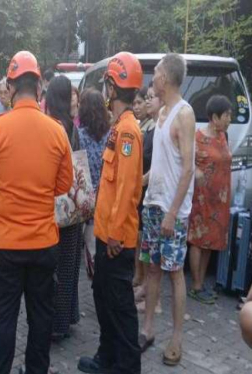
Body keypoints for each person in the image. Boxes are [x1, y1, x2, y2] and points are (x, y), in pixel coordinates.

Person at [0, 51, 73, 374]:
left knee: (4, 319)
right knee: (40, 320)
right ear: (39, 86)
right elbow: (64, 185)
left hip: (7, 245)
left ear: (12, 85)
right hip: (44, 245)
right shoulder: (57, 131)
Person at [77, 51, 144, 374]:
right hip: (105, 235)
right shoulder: (119, 127)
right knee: (104, 301)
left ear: (114, 89)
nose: (105, 92)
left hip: (116, 239)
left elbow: (128, 188)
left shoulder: (128, 132)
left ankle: (127, 366)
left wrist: (116, 234)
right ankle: (107, 358)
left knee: (120, 307)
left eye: (106, 85)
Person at [139, 53, 196, 366]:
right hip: (152, 204)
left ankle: (176, 338)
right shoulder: (160, 112)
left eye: (157, 73)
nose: (153, 79)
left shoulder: (183, 114)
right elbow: (161, 165)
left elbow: (187, 170)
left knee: (174, 273)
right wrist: (141, 182)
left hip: (173, 211)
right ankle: (147, 329)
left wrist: (173, 213)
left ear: (169, 78)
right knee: (151, 268)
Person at [45, 75, 83, 340]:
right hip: (73, 207)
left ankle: (54, 324)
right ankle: (66, 318)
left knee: (52, 267)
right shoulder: (72, 127)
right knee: (69, 265)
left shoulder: (50, 126)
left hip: (53, 207)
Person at [187, 95, 233, 304]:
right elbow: (187, 163)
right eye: (226, 116)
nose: (229, 120)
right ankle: (196, 286)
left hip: (219, 200)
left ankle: (201, 283)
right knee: (198, 240)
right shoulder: (197, 138)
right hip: (203, 199)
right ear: (214, 117)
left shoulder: (223, 137)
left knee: (210, 242)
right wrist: (196, 171)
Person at [135, 85, 164, 316]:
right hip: (146, 196)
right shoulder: (150, 129)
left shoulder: (160, 128)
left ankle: (155, 301)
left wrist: (139, 182)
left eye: (151, 98)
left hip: (155, 196)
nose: (147, 102)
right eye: (146, 98)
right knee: (145, 245)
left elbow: (157, 167)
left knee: (154, 251)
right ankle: (145, 287)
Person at [77, 89, 110, 265]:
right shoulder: (111, 134)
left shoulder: (79, 135)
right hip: (105, 195)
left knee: (88, 245)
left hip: (85, 196)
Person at [132, 86, 151, 287]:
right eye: (135, 103)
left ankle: (144, 280)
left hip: (146, 189)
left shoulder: (154, 128)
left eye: (140, 102)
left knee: (144, 239)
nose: (137, 107)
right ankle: (138, 276)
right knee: (138, 237)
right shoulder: (140, 126)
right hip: (139, 189)